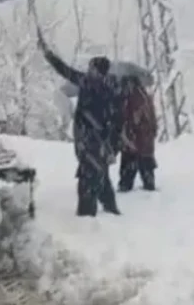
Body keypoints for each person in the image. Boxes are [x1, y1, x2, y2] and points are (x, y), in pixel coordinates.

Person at [38, 31, 122, 217]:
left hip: (91, 141)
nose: (89, 71)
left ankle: (86, 218)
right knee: (101, 176)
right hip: (98, 143)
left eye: (92, 68)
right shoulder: (106, 85)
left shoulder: (92, 84)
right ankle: (110, 208)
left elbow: (65, 70)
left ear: (98, 71)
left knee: (87, 180)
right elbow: (65, 70)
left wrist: (48, 54)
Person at [118, 75, 157, 192]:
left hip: (135, 138)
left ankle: (126, 186)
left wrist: (126, 134)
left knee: (129, 164)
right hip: (146, 138)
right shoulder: (145, 95)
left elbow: (130, 118)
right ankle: (149, 183)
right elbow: (152, 118)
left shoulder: (132, 98)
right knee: (146, 164)